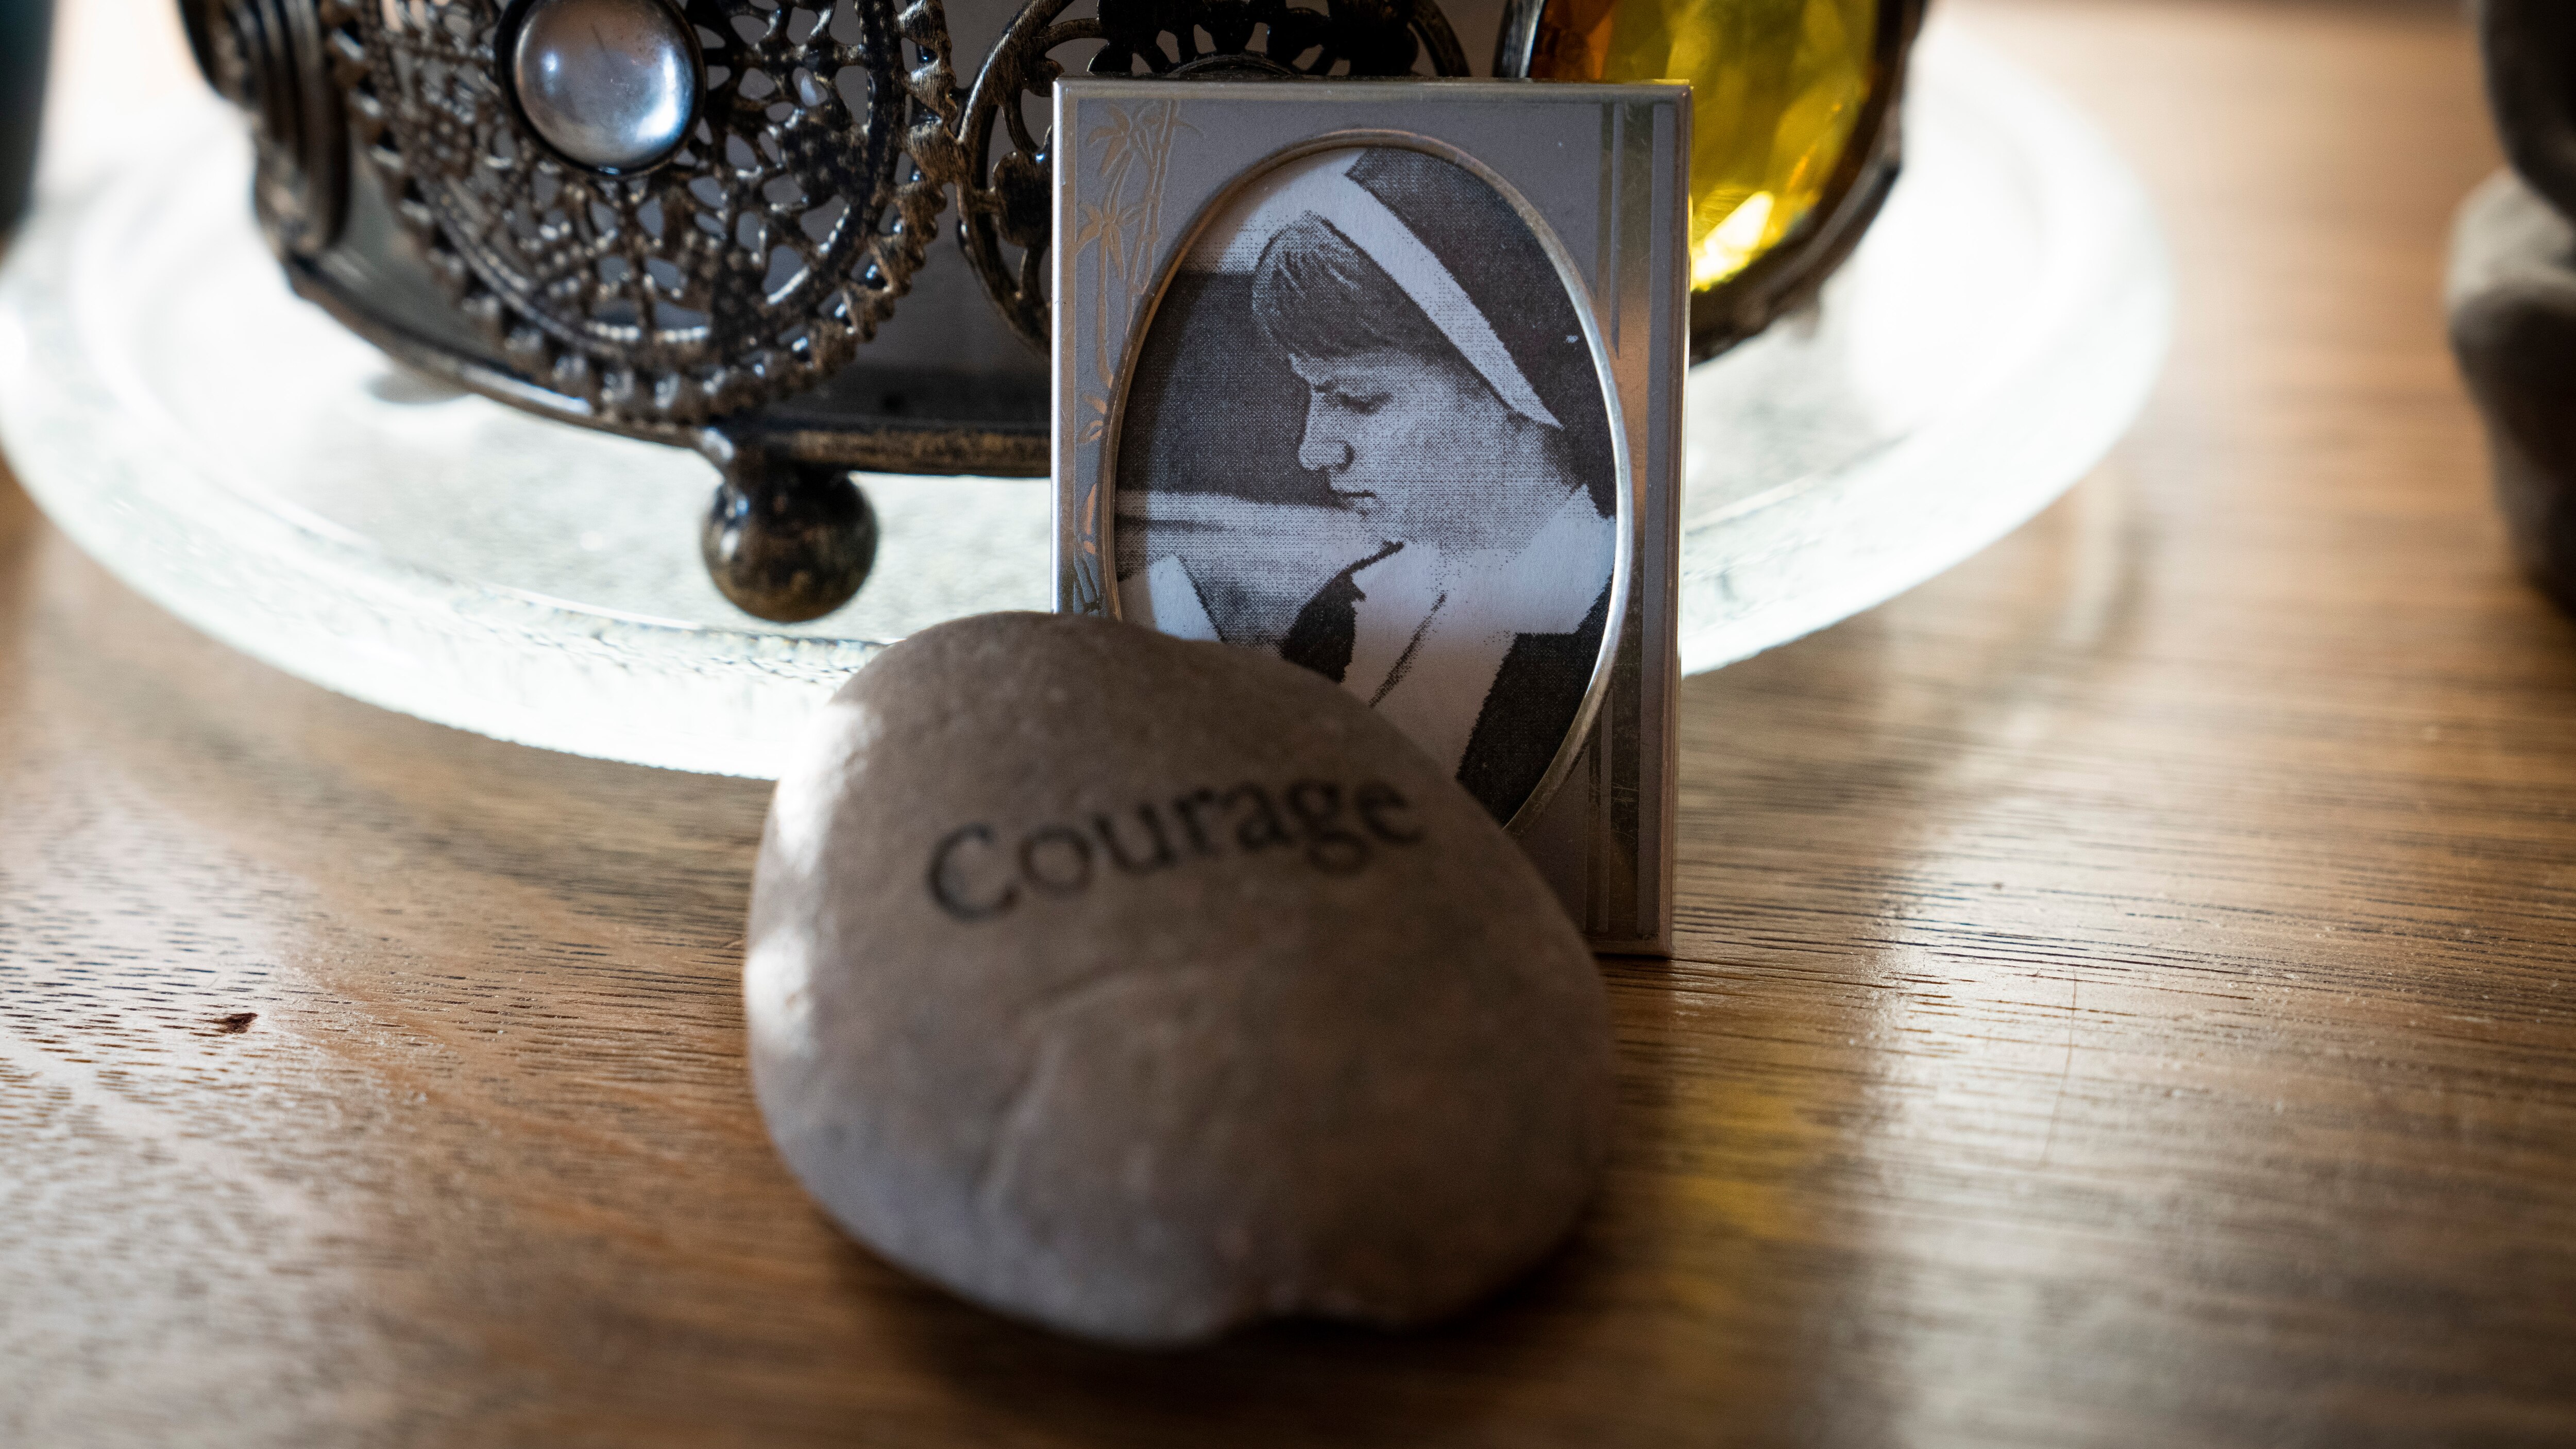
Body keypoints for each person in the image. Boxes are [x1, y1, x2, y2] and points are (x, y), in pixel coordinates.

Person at [1119, 147, 1615, 822]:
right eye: (1312, 397)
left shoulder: (1603, 618)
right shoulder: (1343, 611)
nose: (1313, 450)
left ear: (1509, 391)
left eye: (1356, 398)